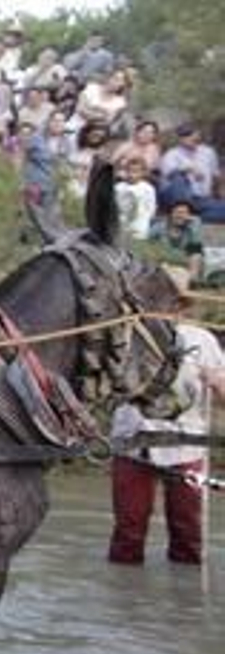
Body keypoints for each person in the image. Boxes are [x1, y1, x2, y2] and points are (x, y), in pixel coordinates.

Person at [108, 269, 225, 565]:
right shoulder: (127, 333)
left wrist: (216, 380)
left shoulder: (203, 339)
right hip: (133, 443)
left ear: (180, 305)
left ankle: (184, 604)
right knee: (128, 534)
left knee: (189, 536)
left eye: (169, 299)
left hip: (186, 446)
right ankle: (126, 600)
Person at [158, 124, 222, 220]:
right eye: (185, 135)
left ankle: (191, 216)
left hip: (202, 199)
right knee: (178, 177)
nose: (189, 137)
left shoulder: (208, 152)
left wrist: (218, 194)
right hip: (180, 198)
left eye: (192, 134)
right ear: (180, 139)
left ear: (198, 135)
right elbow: (169, 176)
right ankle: (183, 210)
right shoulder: (171, 154)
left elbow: (216, 176)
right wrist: (188, 169)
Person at [152, 199, 206, 281]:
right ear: (171, 214)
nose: (180, 215)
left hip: (183, 259)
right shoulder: (159, 226)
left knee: (196, 254)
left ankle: (192, 280)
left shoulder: (192, 226)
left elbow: (196, 246)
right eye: (177, 212)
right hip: (164, 260)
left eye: (184, 213)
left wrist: (193, 225)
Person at [114, 156, 158, 242]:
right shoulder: (118, 187)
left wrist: (145, 219)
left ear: (143, 173)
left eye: (135, 172)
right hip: (121, 225)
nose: (131, 175)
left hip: (139, 226)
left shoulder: (148, 189)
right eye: (129, 171)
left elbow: (151, 208)